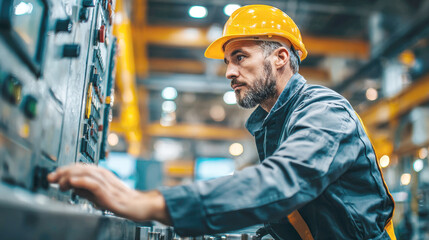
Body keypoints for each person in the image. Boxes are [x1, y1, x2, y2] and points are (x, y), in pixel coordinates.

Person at [48, 5, 396, 240]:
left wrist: (147, 203)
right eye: (228, 62)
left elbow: (283, 183)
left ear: (280, 57)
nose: (229, 72)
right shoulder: (274, 124)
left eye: (240, 58)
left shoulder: (325, 110)